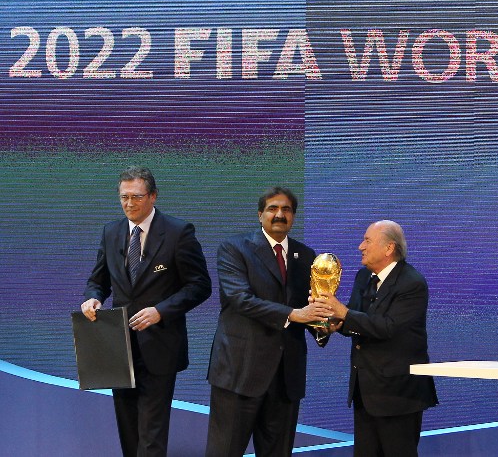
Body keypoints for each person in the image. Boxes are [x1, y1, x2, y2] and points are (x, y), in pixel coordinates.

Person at [81, 166, 212, 456]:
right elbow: (97, 281)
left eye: (136, 197)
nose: (129, 204)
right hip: (119, 347)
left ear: (153, 196)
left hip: (160, 345)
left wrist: (161, 311)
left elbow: (200, 286)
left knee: (152, 434)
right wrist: (93, 298)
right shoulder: (111, 232)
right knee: (128, 430)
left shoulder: (179, 232)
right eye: (124, 197)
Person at [205, 186, 333, 457]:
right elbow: (240, 299)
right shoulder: (234, 248)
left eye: (286, 209)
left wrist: (324, 326)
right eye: (272, 208)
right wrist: (294, 315)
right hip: (240, 373)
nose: (279, 215)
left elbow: (309, 306)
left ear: (294, 216)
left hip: (286, 377)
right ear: (260, 214)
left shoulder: (306, 256)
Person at [314, 220, 438, 457]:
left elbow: (389, 327)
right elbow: (356, 321)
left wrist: (345, 314)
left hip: (398, 394)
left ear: (389, 248)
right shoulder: (364, 277)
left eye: (367, 241)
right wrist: (332, 323)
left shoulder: (412, 283)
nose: (361, 246)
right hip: (366, 391)